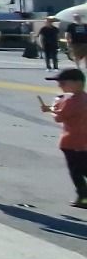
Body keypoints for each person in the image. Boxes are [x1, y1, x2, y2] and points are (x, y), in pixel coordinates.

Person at [36, 67, 87, 207]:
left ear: (78, 83)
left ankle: (83, 197)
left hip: (72, 141)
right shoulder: (82, 98)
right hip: (81, 141)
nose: (60, 86)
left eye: (63, 83)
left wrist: (52, 108)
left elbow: (59, 117)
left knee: (77, 171)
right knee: (81, 168)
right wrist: (52, 108)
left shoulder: (73, 101)